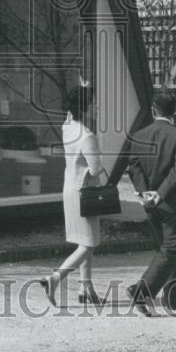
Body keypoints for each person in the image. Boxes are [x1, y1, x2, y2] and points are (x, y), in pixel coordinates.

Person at [108, 90, 176, 315]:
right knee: (170, 249)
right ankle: (141, 292)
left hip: (149, 201)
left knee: (165, 249)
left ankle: (174, 298)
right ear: (174, 110)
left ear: (154, 109)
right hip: (171, 202)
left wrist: (146, 193)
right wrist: (161, 194)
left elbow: (133, 166)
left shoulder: (140, 134)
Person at [40, 86, 107, 307]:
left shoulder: (68, 127)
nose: (97, 106)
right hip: (85, 192)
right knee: (88, 244)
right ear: (85, 108)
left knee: (83, 239)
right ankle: (55, 278)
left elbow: (70, 115)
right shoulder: (88, 136)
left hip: (70, 188)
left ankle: (85, 286)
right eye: (93, 103)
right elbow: (96, 169)